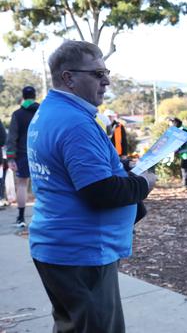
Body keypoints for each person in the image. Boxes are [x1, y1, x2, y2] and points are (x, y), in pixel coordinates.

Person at [28, 40, 157, 333]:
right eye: (97, 74)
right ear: (68, 78)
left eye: (106, 72)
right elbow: (100, 192)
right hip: (82, 254)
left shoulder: (50, 112)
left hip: (59, 248)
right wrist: (143, 183)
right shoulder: (74, 123)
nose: (106, 81)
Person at [7, 85, 39, 227]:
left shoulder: (17, 114)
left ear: (23, 97)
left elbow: (12, 137)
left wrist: (11, 158)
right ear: (35, 96)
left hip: (23, 154)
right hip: (41, 153)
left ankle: (20, 219)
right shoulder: (42, 111)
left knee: (22, 185)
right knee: (44, 184)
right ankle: (43, 217)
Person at [169, 117, 187, 190]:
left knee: (184, 169)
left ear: (175, 123)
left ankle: (186, 186)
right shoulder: (184, 129)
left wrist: (176, 149)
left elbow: (182, 142)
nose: (170, 125)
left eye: (171, 123)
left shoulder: (182, 130)